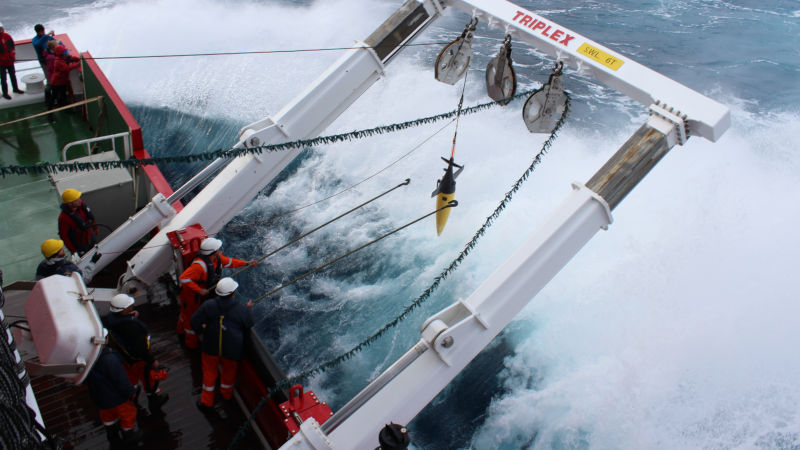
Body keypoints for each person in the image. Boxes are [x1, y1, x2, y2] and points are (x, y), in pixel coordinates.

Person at [177, 238, 256, 349]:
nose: (220, 250)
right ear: (213, 252)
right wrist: (199, 290)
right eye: (218, 249)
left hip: (201, 294)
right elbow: (183, 278)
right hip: (191, 296)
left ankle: (181, 331)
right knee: (189, 318)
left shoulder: (216, 259)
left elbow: (230, 262)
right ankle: (191, 346)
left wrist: (246, 263)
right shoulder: (199, 266)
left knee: (185, 316)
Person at [190, 277, 253, 415]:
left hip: (210, 346)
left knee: (209, 374)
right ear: (233, 293)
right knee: (228, 374)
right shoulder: (241, 309)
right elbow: (248, 323)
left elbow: (194, 321)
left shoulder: (209, 305)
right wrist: (247, 309)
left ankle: (206, 402)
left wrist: (202, 330)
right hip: (231, 350)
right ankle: (226, 396)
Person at [103, 294, 169, 415]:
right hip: (139, 359)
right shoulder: (131, 327)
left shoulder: (113, 320)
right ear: (123, 310)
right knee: (149, 379)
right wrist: (151, 360)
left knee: (131, 381)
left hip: (126, 358)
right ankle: (154, 400)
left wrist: (131, 317)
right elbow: (140, 347)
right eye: (129, 306)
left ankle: (132, 401)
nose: (132, 306)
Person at [84, 346, 143, 446]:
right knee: (128, 415)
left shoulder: (86, 359)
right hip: (118, 398)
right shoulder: (109, 358)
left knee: (108, 417)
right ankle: (129, 434)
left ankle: (111, 434)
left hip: (101, 399)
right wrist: (130, 392)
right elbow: (121, 380)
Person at [58, 188, 98, 256]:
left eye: (79, 198)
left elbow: (90, 217)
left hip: (90, 237)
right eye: (76, 200)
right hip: (80, 245)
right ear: (69, 203)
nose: (80, 200)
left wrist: (95, 228)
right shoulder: (63, 218)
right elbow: (64, 236)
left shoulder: (81, 206)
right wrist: (73, 251)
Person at [0, 22, 24, 100]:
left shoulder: (7, 36)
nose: (1, 29)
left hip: (10, 61)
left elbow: (12, 47)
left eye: (1, 28)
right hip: (1, 63)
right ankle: (5, 93)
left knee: (13, 75)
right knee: (3, 79)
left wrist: (12, 56)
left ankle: (15, 89)